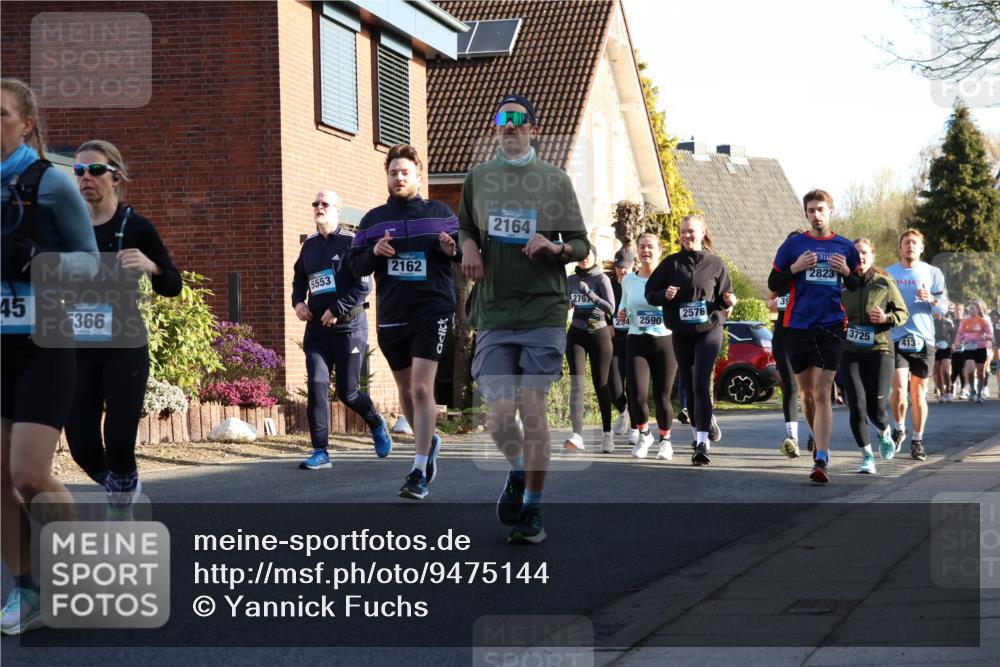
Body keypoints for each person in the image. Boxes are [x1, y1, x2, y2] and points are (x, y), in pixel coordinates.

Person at [460, 94, 590, 544]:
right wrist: (470, 246)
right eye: (503, 119)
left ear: (534, 129)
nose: (510, 126)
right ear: (497, 128)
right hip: (495, 311)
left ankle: (532, 512)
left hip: (542, 310)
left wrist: (557, 248)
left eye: (519, 120)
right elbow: (465, 228)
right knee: (498, 417)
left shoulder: (553, 180)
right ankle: (517, 472)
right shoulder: (478, 178)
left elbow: (581, 243)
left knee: (532, 413)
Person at [1, 78, 99, 635]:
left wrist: (40, 259)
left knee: (29, 472)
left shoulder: (52, 184)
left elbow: (91, 265)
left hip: (45, 343)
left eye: (0, 114)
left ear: (26, 124)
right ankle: (28, 591)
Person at [63, 140, 181, 518]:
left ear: (116, 177)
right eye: (78, 171)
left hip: (125, 346)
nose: (85, 178)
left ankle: (121, 491)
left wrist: (153, 266)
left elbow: (173, 285)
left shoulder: (137, 227)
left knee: (119, 437)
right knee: (81, 444)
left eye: (94, 170)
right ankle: (122, 485)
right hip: (78, 345)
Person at [346, 144, 459, 501]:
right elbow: (352, 267)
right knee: (408, 392)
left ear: (418, 177)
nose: (399, 177)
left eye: (405, 172)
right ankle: (429, 441)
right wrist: (372, 252)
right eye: (393, 172)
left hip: (433, 310)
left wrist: (451, 249)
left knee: (424, 389)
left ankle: (419, 468)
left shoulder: (441, 214)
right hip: (393, 316)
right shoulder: (373, 220)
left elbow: (464, 253)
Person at [767, 189, 861, 484]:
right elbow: (773, 281)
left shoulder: (845, 246)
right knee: (806, 394)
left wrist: (846, 271)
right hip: (797, 326)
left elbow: (857, 284)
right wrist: (796, 268)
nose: (816, 214)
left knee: (822, 393)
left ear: (830, 210)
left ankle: (821, 456)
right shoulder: (794, 245)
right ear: (806, 213)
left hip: (832, 325)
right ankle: (815, 435)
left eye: (821, 209)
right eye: (810, 210)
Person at [293, 189, 388, 471]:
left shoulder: (351, 242)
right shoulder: (309, 245)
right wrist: (298, 302)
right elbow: (299, 279)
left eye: (325, 204)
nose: (319, 207)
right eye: (316, 204)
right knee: (317, 385)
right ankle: (320, 451)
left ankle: (375, 421)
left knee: (348, 394)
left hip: (349, 329)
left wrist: (337, 310)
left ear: (338, 210)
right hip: (317, 333)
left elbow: (363, 286)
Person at [646, 214, 735, 466]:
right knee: (688, 382)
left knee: (699, 382)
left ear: (703, 232)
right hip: (682, 331)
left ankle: (703, 443)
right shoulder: (671, 264)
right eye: (683, 231)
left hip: (709, 328)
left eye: (691, 231)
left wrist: (730, 300)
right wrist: (665, 294)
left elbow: (726, 294)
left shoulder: (716, 263)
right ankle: (697, 438)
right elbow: (650, 294)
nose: (687, 236)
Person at [838, 238, 909, 474]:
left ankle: (884, 431)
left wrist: (886, 318)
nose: (860, 256)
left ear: (872, 256)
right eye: (856, 253)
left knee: (876, 407)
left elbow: (902, 313)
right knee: (856, 406)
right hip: (850, 352)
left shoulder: (884, 283)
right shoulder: (841, 285)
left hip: (880, 350)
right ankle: (867, 456)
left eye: (864, 252)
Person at [886, 229, 949, 461]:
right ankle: (899, 427)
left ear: (922, 248)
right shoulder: (889, 273)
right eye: (906, 242)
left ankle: (917, 440)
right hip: (896, 338)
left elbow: (943, 308)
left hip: (924, 340)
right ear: (900, 247)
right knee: (900, 389)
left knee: (919, 392)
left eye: (914, 243)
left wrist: (931, 299)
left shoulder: (933, 273)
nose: (910, 246)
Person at [618, 233, 677, 460]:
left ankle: (665, 441)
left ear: (659, 251)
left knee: (662, 397)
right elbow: (623, 307)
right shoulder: (629, 280)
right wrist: (622, 313)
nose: (645, 251)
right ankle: (644, 435)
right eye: (641, 247)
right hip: (637, 339)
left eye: (650, 247)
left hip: (664, 341)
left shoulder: (668, 279)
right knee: (636, 395)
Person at [564, 248, 616, 453]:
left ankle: (607, 433)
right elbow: (568, 304)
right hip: (576, 332)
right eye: (581, 254)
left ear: (595, 256)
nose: (584, 258)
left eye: (588, 254)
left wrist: (590, 293)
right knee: (576, 383)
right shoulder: (571, 280)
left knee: (600, 384)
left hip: (598, 333)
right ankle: (577, 435)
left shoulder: (602, 279)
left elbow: (610, 308)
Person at [768, 229, 813, 458]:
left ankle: (815, 432)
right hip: (783, 335)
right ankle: (792, 437)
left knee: (810, 389)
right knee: (790, 384)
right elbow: (770, 295)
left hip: (807, 334)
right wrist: (771, 303)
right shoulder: (783, 275)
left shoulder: (811, 273)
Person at [608, 247, 634, 442]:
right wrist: (606, 325)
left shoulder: (638, 284)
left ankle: (636, 427)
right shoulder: (607, 283)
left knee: (634, 385)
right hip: (614, 342)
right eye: (619, 267)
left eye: (625, 267)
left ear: (632, 266)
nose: (622, 271)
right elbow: (596, 309)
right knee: (614, 387)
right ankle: (623, 410)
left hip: (634, 341)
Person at [954, 299, 994, 403]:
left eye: (973, 308)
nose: (971, 310)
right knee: (970, 370)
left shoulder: (983, 321)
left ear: (978, 310)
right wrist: (957, 341)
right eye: (970, 308)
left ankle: (980, 393)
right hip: (968, 348)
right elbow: (959, 333)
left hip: (981, 348)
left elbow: (990, 335)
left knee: (980, 372)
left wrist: (985, 338)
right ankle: (972, 389)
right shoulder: (965, 320)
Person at [933, 310, 956, 403]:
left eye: (939, 312)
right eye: (936, 312)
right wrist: (933, 343)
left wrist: (953, 344)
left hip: (946, 347)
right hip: (935, 348)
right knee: (937, 371)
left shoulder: (948, 323)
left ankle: (949, 390)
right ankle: (941, 392)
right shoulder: (931, 323)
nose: (937, 314)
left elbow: (953, 335)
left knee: (946, 370)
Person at [949, 302, 967, 398]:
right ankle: (953, 388)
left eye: (960, 309)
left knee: (963, 370)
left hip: (965, 349)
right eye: (956, 309)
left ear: (963, 310)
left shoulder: (966, 321)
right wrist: (951, 344)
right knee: (954, 370)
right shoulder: (951, 322)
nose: (958, 311)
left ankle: (963, 390)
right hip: (953, 349)